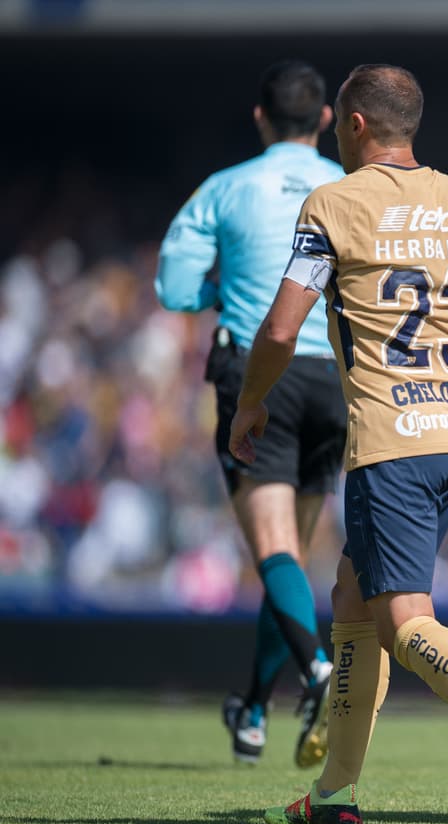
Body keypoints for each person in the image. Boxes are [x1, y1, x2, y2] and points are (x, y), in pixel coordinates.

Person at [228, 64, 448, 824]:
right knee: (354, 603)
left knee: (404, 622)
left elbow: (284, 326)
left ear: (354, 124)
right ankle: (333, 795)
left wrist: (251, 401)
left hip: (388, 437)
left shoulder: (330, 204)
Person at [155, 60, 344, 768]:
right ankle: (257, 710)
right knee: (288, 556)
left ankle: (319, 671)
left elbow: (173, 289)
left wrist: (224, 285)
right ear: (325, 120)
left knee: (271, 549)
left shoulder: (225, 187)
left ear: (260, 118)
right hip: (337, 380)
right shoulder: (346, 188)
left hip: (260, 370)